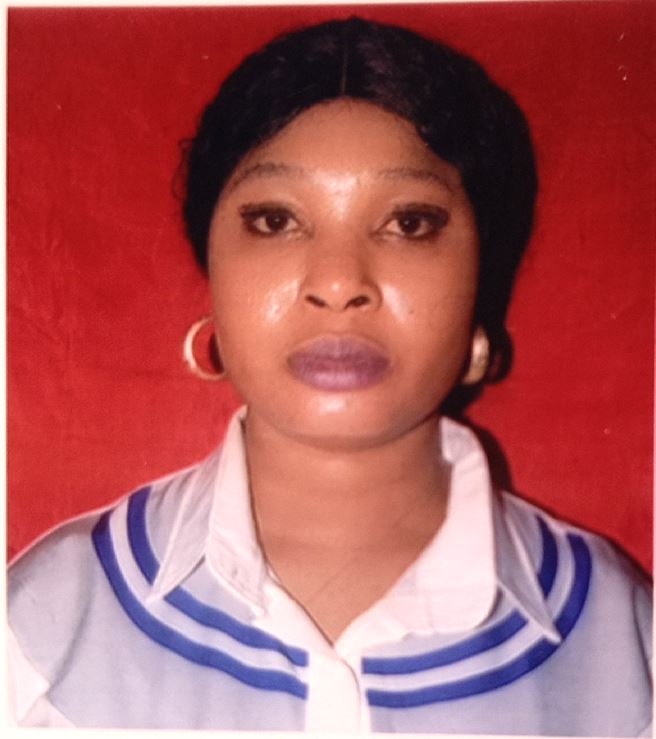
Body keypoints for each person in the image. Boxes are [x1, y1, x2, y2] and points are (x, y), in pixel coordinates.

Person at [8, 17, 651, 734]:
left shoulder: (621, 642)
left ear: (483, 284)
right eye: (275, 221)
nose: (340, 283)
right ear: (211, 271)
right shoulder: (48, 622)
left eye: (410, 223)